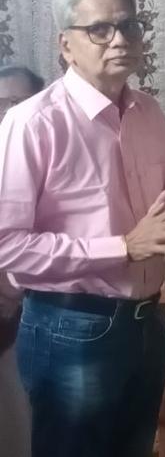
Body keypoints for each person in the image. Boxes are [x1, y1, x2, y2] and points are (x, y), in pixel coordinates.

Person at [0, 0, 165, 457]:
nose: (119, 39)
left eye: (129, 26)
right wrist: (122, 247)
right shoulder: (32, 123)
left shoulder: (149, 113)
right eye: (100, 29)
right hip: (70, 326)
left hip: (146, 322)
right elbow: (8, 246)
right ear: (66, 45)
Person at [0, 64, 44, 457]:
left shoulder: (51, 163)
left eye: (18, 103)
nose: (8, 113)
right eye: (1, 104)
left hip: (37, 322)